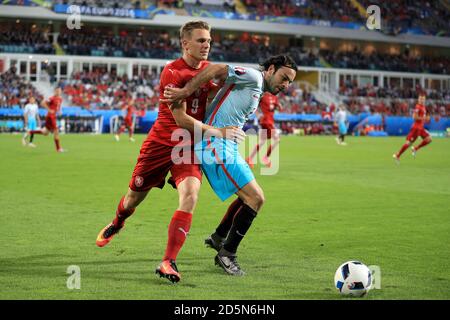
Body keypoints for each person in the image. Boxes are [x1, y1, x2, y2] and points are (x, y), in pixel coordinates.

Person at [95, 20, 243, 284]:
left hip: (187, 148)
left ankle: (168, 261)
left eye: (208, 40)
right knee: (132, 200)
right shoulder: (172, 72)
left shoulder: (208, 71)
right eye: (200, 40)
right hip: (162, 144)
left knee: (191, 195)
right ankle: (118, 222)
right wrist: (220, 133)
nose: (206, 45)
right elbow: (182, 121)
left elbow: (210, 97)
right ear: (185, 43)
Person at [162, 55, 297, 276]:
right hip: (213, 145)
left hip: (225, 146)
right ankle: (227, 253)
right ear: (271, 69)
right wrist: (185, 92)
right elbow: (217, 69)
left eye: (290, 82)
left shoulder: (257, 88)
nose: (285, 85)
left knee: (247, 195)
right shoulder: (253, 76)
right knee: (256, 198)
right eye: (284, 78)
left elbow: (219, 91)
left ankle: (218, 237)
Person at [246, 92, 282, 168]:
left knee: (262, 141)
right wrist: (258, 114)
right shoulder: (262, 96)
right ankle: (266, 158)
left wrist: (279, 106)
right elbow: (253, 103)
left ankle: (250, 158)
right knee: (277, 139)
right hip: (266, 121)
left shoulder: (275, 97)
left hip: (269, 121)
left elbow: (278, 107)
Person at [24, 87, 65, 153]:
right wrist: (49, 110)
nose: (58, 92)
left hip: (53, 116)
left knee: (45, 132)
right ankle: (58, 149)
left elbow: (58, 107)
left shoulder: (60, 99)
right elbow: (42, 103)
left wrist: (59, 111)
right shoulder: (52, 98)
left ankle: (30, 132)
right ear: (55, 91)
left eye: (59, 91)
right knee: (56, 131)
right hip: (50, 117)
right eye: (57, 91)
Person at [393, 94, 432, 163]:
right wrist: (424, 118)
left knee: (429, 139)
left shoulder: (423, 107)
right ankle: (397, 155)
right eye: (420, 99)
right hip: (416, 128)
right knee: (408, 143)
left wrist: (426, 118)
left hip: (421, 128)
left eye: (423, 99)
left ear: (425, 100)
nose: (422, 100)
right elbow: (414, 117)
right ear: (418, 99)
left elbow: (423, 117)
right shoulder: (418, 107)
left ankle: (415, 148)